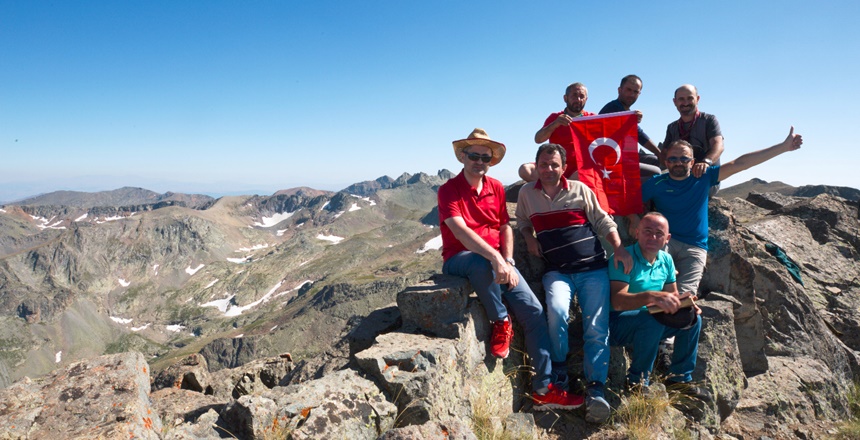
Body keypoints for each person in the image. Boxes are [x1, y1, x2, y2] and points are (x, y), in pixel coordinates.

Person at [438, 128, 583, 410]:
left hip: (497, 263)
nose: (479, 161)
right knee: (480, 261)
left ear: (491, 161)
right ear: (463, 157)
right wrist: (496, 259)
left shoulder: (495, 187)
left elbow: (505, 225)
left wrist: (508, 259)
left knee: (535, 311)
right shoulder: (448, 190)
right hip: (460, 259)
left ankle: (544, 387)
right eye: (474, 155)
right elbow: (460, 230)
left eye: (485, 157)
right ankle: (500, 320)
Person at [515, 143, 632, 423]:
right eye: (544, 164)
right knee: (555, 313)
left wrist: (618, 248)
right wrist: (530, 237)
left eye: (554, 164)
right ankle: (559, 375)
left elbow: (604, 222)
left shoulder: (579, 189)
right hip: (557, 271)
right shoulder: (526, 194)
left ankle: (596, 389)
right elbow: (521, 221)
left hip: (593, 269)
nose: (549, 169)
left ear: (563, 167)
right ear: (536, 166)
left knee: (596, 326)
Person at [629, 127, 804, 296]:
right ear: (666, 161)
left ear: (692, 161)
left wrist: (783, 147)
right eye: (673, 159)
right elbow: (628, 203)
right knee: (651, 288)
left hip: (695, 247)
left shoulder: (703, 177)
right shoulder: (657, 183)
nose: (678, 163)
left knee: (684, 298)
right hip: (665, 242)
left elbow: (740, 164)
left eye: (684, 159)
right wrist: (634, 219)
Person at [608, 212, 707, 396]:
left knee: (693, 319)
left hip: (647, 322)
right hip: (616, 324)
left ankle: (679, 378)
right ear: (636, 233)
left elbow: (672, 296)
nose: (653, 237)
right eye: (647, 231)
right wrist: (651, 297)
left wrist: (686, 305)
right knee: (651, 319)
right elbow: (617, 301)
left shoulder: (666, 260)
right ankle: (638, 382)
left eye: (659, 233)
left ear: (667, 238)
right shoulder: (624, 257)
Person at [519, 83, 595, 182]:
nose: (578, 99)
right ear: (565, 98)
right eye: (574, 95)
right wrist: (555, 124)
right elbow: (538, 139)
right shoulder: (555, 117)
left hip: (578, 167)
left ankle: (560, 188)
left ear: (586, 99)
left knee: (584, 174)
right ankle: (561, 188)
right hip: (553, 164)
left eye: (582, 96)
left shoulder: (592, 118)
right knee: (524, 170)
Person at [599, 75, 662, 169]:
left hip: (624, 156)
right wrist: (659, 153)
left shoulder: (626, 111)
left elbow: (638, 134)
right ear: (619, 90)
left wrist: (659, 154)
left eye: (635, 91)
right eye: (628, 90)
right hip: (611, 160)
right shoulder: (614, 108)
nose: (632, 94)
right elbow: (639, 135)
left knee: (655, 160)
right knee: (656, 171)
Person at [664, 85, 724, 180]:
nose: (686, 102)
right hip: (680, 177)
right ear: (675, 102)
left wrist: (706, 162)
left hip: (705, 178)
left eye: (690, 98)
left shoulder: (709, 120)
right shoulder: (672, 127)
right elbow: (664, 153)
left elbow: (718, 145)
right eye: (681, 99)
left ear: (697, 99)